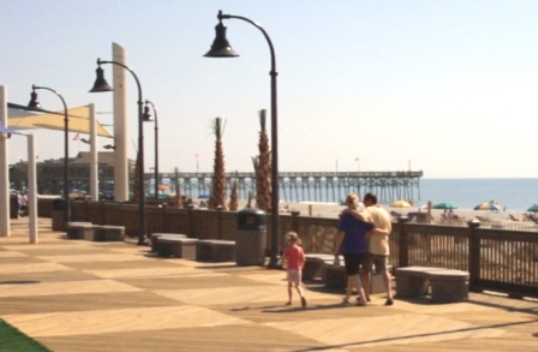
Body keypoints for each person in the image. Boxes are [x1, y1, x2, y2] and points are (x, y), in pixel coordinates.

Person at [334, 193, 389, 306]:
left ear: (347, 203)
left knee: (354, 273)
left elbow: (341, 235)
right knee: (352, 273)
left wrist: (336, 249)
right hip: (363, 248)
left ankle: (363, 297)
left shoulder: (347, 217)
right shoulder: (365, 216)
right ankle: (347, 297)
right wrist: (385, 232)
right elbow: (372, 228)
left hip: (350, 248)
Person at [360, 192, 394, 306]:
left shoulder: (368, 210)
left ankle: (366, 295)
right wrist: (383, 231)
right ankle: (389, 294)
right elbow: (389, 229)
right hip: (383, 245)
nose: (364, 204)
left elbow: (362, 221)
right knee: (384, 271)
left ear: (369, 201)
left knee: (366, 271)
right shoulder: (384, 212)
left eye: (365, 201)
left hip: (370, 244)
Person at [282, 231, 307, 307]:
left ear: (288, 240)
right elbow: (303, 259)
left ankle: (290, 300)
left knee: (290, 285)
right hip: (298, 269)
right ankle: (302, 295)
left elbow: (283, 258)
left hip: (290, 269)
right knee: (298, 285)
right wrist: (301, 266)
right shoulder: (300, 249)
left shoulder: (287, 249)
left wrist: (284, 264)